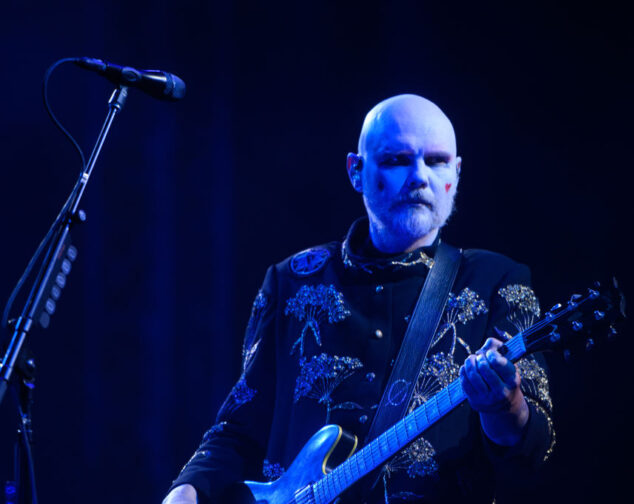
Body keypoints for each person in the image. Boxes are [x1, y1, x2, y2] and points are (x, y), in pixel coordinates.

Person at [163, 94, 555, 504]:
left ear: (455, 174)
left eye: (436, 161)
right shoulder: (291, 281)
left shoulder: (497, 281)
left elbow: (533, 451)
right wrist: (185, 492)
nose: (419, 177)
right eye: (396, 160)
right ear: (356, 171)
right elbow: (240, 428)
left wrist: (505, 405)